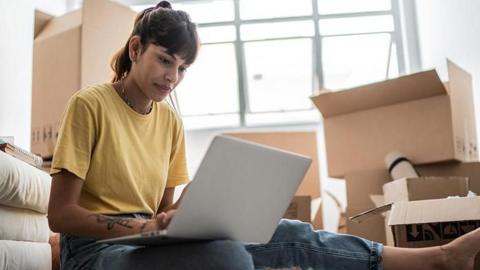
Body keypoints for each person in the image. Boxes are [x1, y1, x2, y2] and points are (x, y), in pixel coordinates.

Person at [47, 1, 480, 270]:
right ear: (137, 48)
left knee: (291, 233)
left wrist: (195, 206)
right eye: (164, 61)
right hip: (92, 254)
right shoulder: (90, 105)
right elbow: (60, 216)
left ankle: (437, 259)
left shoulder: (169, 123)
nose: (172, 77)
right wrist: (146, 225)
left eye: (182, 68)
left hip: (144, 245)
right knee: (228, 259)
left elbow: (163, 214)